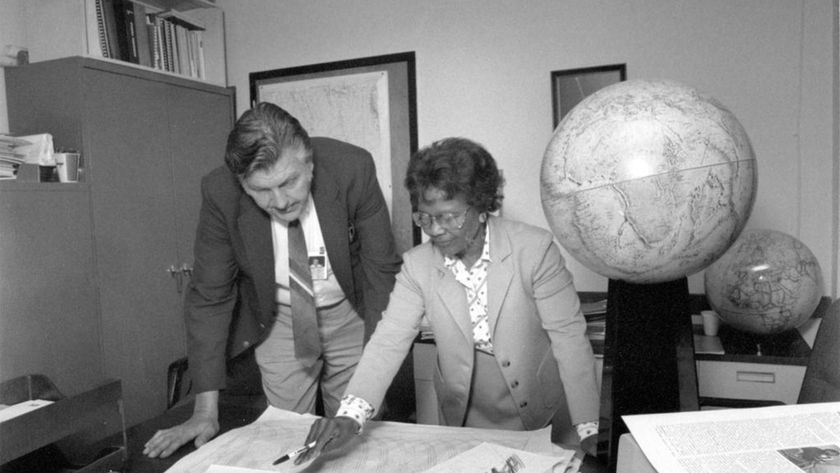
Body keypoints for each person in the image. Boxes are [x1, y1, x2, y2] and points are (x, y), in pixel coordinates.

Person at [295, 137, 601, 465]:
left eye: (448, 217)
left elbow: (568, 339)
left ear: (482, 206)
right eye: (424, 218)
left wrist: (590, 427)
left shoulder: (535, 250)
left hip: (539, 407)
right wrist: (349, 416)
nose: (435, 231)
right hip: (463, 411)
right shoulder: (418, 265)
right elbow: (388, 341)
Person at [143, 103, 401, 458]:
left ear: (308, 162)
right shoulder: (220, 192)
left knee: (356, 437)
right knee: (287, 439)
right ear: (241, 182)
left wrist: (377, 368)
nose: (279, 201)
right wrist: (204, 413)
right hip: (279, 318)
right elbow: (210, 297)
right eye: (261, 190)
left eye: (289, 182)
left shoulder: (352, 168)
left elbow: (381, 272)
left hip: (350, 313)